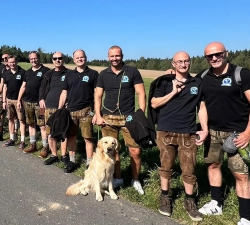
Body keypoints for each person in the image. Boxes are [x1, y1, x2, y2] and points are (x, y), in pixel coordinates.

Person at [197, 42, 250, 225]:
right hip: (212, 132)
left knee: (240, 174)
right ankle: (216, 204)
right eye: (209, 56)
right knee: (213, 166)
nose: (214, 58)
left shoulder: (242, 74)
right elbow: (201, 105)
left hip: (236, 134)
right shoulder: (203, 76)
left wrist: (248, 133)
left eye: (217, 54)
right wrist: (204, 129)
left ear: (226, 53)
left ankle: (245, 217)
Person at [150, 51, 208, 221]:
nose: (183, 64)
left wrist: (204, 129)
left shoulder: (198, 82)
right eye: (179, 61)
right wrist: (173, 92)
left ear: (190, 62)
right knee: (165, 166)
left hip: (189, 132)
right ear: (173, 64)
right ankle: (165, 197)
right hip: (166, 131)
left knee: (189, 169)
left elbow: (202, 107)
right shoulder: (165, 82)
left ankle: (190, 201)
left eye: (186, 61)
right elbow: (154, 103)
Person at [92, 45, 146, 194]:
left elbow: (141, 93)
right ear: (108, 57)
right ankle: (118, 178)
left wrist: (141, 113)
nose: (114, 58)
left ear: (122, 56)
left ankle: (135, 180)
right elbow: (98, 96)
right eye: (112, 56)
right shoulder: (103, 74)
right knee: (111, 151)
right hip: (108, 118)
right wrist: (98, 114)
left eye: (117, 56)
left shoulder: (132, 72)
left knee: (135, 150)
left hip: (128, 118)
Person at [58, 49, 98, 173]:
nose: (80, 59)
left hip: (87, 111)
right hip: (70, 111)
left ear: (85, 58)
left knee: (88, 138)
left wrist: (97, 112)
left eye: (82, 57)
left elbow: (97, 94)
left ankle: (89, 163)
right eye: (77, 58)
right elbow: (64, 93)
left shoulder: (93, 74)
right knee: (71, 137)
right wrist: (60, 110)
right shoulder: (69, 75)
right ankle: (72, 161)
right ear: (74, 59)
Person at [38, 52, 69, 164]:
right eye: (55, 58)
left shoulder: (69, 74)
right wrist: (41, 99)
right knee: (48, 131)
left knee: (62, 133)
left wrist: (68, 102)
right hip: (45, 107)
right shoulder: (48, 74)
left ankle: (64, 156)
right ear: (52, 60)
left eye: (60, 58)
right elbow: (41, 88)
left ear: (63, 59)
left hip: (61, 108)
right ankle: (53, 154)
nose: (57, 60)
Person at [17, 51, 50, 153]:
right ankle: (33, 145)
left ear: (39, 58)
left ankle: (45, 147)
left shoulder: (46, 71)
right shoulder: (27, 72)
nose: (33, 60)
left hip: (40, 104)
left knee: (42, 125)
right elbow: (23, 86)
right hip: (27, 102)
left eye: (35, 58)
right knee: (31, 124)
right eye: (31, 59)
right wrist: (19, 100)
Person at [2, 55, 26, 147]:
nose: (12, 64)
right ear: (7, 63)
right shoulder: (6, 73)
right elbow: (5, 87)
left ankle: (22, 141)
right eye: (10, 62)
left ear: (17, 62)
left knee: (21, 120)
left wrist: (20, 100)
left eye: (13, 62)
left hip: (19, 101)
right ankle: (12, 139)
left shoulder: (23, 72)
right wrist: (4, 101)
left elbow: (24, 87)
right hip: (9, 100)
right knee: (10, 119)